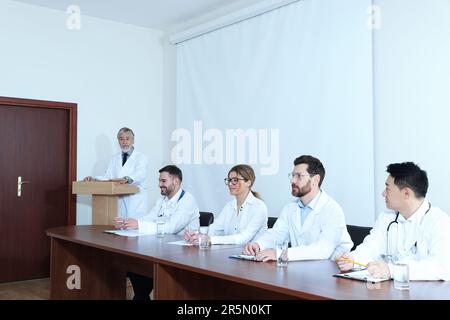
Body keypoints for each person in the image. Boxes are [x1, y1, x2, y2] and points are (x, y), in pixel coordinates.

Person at [336, 162, 450, 280]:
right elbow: (371, 247)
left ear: (406, 193)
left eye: (387, 188)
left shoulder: (440, 222)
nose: (383, 193)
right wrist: (353, 259)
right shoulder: (386, 218)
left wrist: (391, 270)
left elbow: (441, 267)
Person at [243, 155, 353, 262]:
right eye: (292, 175)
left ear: (315, 180)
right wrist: (258, 244)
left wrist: (280, 253)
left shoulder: (332, 210)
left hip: (332, 271)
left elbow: (322, 250)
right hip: (302, 267)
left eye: (299, 176)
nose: (293, 181)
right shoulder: (290, 208)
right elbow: (277, 233)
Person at [115, 165, 199, 300]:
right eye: (159, 181)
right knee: (136, 269)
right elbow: (149, 218)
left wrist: (139, 224)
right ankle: (141, 295)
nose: (160, 185)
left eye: (163, 181)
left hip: (182, 256)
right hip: (163, 249)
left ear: (176, 181)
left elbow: (172, 228)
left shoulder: (188, 200)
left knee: (141, 273)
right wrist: (128, 223)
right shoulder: (162, 200)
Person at [184, 164, 268, 245]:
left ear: (248, 183)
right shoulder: (229, 206)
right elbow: (215, 228)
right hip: (231, 254)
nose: (230, 184)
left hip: (254, 256)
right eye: (229, 180)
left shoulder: (259, 207)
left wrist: (210, 239)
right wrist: (196, 234)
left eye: (235, 180)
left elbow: (244, 238)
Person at [84, 127, 148, 219]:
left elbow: (141, 174)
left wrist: (126, 179)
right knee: (120, 228)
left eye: (127, 139)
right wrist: (94, 179)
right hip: (119, 199)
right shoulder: (114, 159)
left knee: (134, 229)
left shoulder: (141, 157)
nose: (124, 142)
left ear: (133, 140)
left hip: (135, 200)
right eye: (121, 139)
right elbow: (108, 176)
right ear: (118, 141)